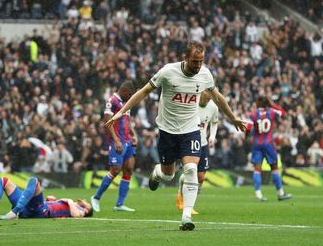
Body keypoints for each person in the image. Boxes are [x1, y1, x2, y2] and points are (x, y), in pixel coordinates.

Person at [106, 42, 247, 230]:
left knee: (190, 169)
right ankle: (157, 172)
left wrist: (233, 118)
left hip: (191, 130)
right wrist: (121, 112)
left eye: (201, 61)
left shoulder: (205, 74)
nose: (198, 65)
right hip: (167, 131)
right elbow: (144, 91)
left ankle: (186, 217)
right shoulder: (167, 72)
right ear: (185, 58)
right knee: (168, 175)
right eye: (195, 61)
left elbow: (219, 98)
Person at [91, 81, 137, 212]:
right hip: (118, 141)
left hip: (128, 141)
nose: (130, 96)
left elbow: (127, 121)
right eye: (130, 94)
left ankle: (120, 204)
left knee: (128, 169)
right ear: (124, 91)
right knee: (115, 169)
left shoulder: (125, 103)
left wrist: (134, 134)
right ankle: (96, 197)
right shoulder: (113, 101)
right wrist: (116, 140)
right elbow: (107, 122)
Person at [176, 91, 219, 214]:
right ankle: (183, 199)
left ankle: (189, 202)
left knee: (201, 177)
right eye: (206, 96)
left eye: (210, 97)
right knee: (191, 173)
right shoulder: (191, 104)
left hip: (203, 144)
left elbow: (214, 122)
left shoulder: (213, 107)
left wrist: (212, 136)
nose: (208, 98)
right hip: (189, 143)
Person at [0, 176, 93, 219]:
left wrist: (70, 201)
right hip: (33, 207)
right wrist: (52, 200)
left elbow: (76, 215)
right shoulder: (74, 205)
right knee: (4, 181)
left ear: (87, 210)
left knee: (34, 181)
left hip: (41, 211)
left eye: (88, 204)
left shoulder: (81, 211)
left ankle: (14, 212)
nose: (86, 201)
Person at [248, 96, 292, 201]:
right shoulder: (271, 112)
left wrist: (249, 136)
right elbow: (283, 113)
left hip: (256, 144)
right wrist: (271, 104)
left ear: (258, 104)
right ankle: (280, 193)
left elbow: (248, 127)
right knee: (274, 168)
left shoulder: (253, 115)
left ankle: (258, 195)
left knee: (257, 170)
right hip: (268, 144)